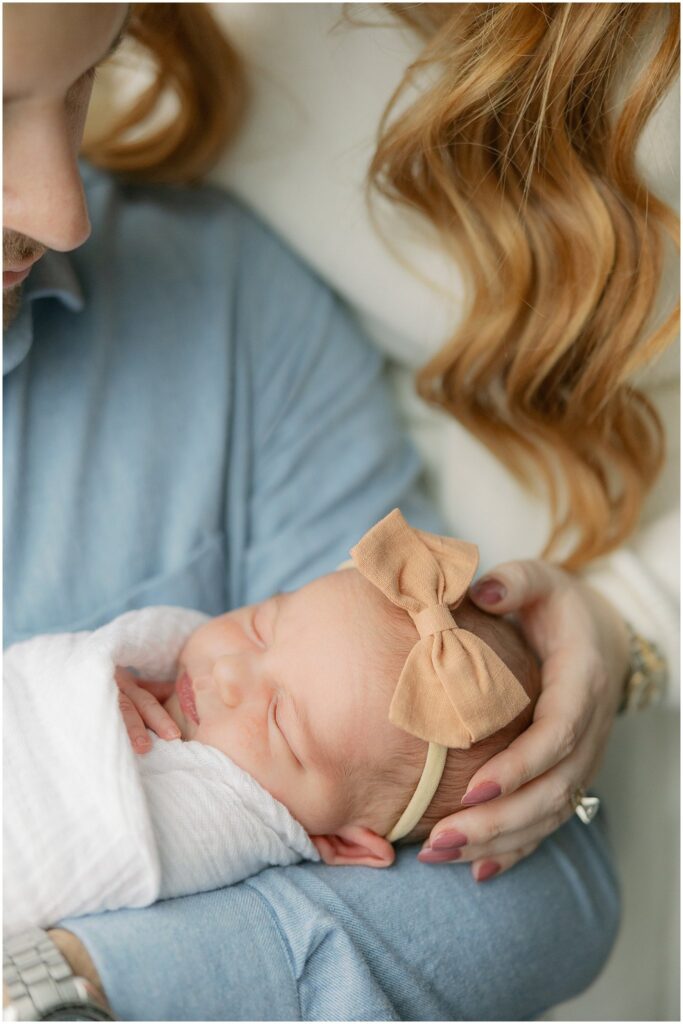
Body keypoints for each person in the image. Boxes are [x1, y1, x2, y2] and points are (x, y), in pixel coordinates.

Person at [4, 2, 671, 1020]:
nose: (63, 213)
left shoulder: (227, 305)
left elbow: (540, 894)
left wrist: (70, 981)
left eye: (91, 77)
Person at [5, 511, 540, 937]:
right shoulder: (145, 672)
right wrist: (86, 686)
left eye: (280, 720)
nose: (231, 672)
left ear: (346, 845)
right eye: (261, 625)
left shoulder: (216, 842)